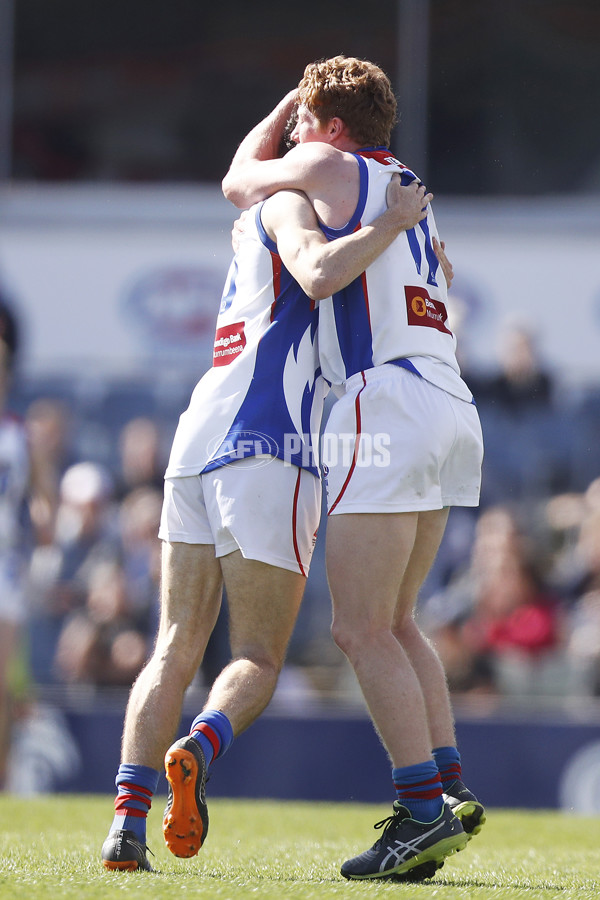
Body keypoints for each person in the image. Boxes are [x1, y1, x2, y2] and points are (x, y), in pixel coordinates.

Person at [100, 155, 431, 869]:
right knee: (255, 655)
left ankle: (125, 826)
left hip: (196, 432)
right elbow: (318, 275)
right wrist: (395, 222)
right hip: (270, 436)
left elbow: (233, 176)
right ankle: (201, 744)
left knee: (174, 642)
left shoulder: (250, 215)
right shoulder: (295, 207)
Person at [222, 55, 485, 881]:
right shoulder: (408, 188)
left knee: (358, 627)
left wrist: (281, 117)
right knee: (400, 620)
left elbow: (238, 183)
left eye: (305, 118)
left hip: (386, 401)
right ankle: (446, 788)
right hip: (448, 400)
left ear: (332, 127)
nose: (295, 134)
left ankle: (418, 811)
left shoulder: (329, 163)